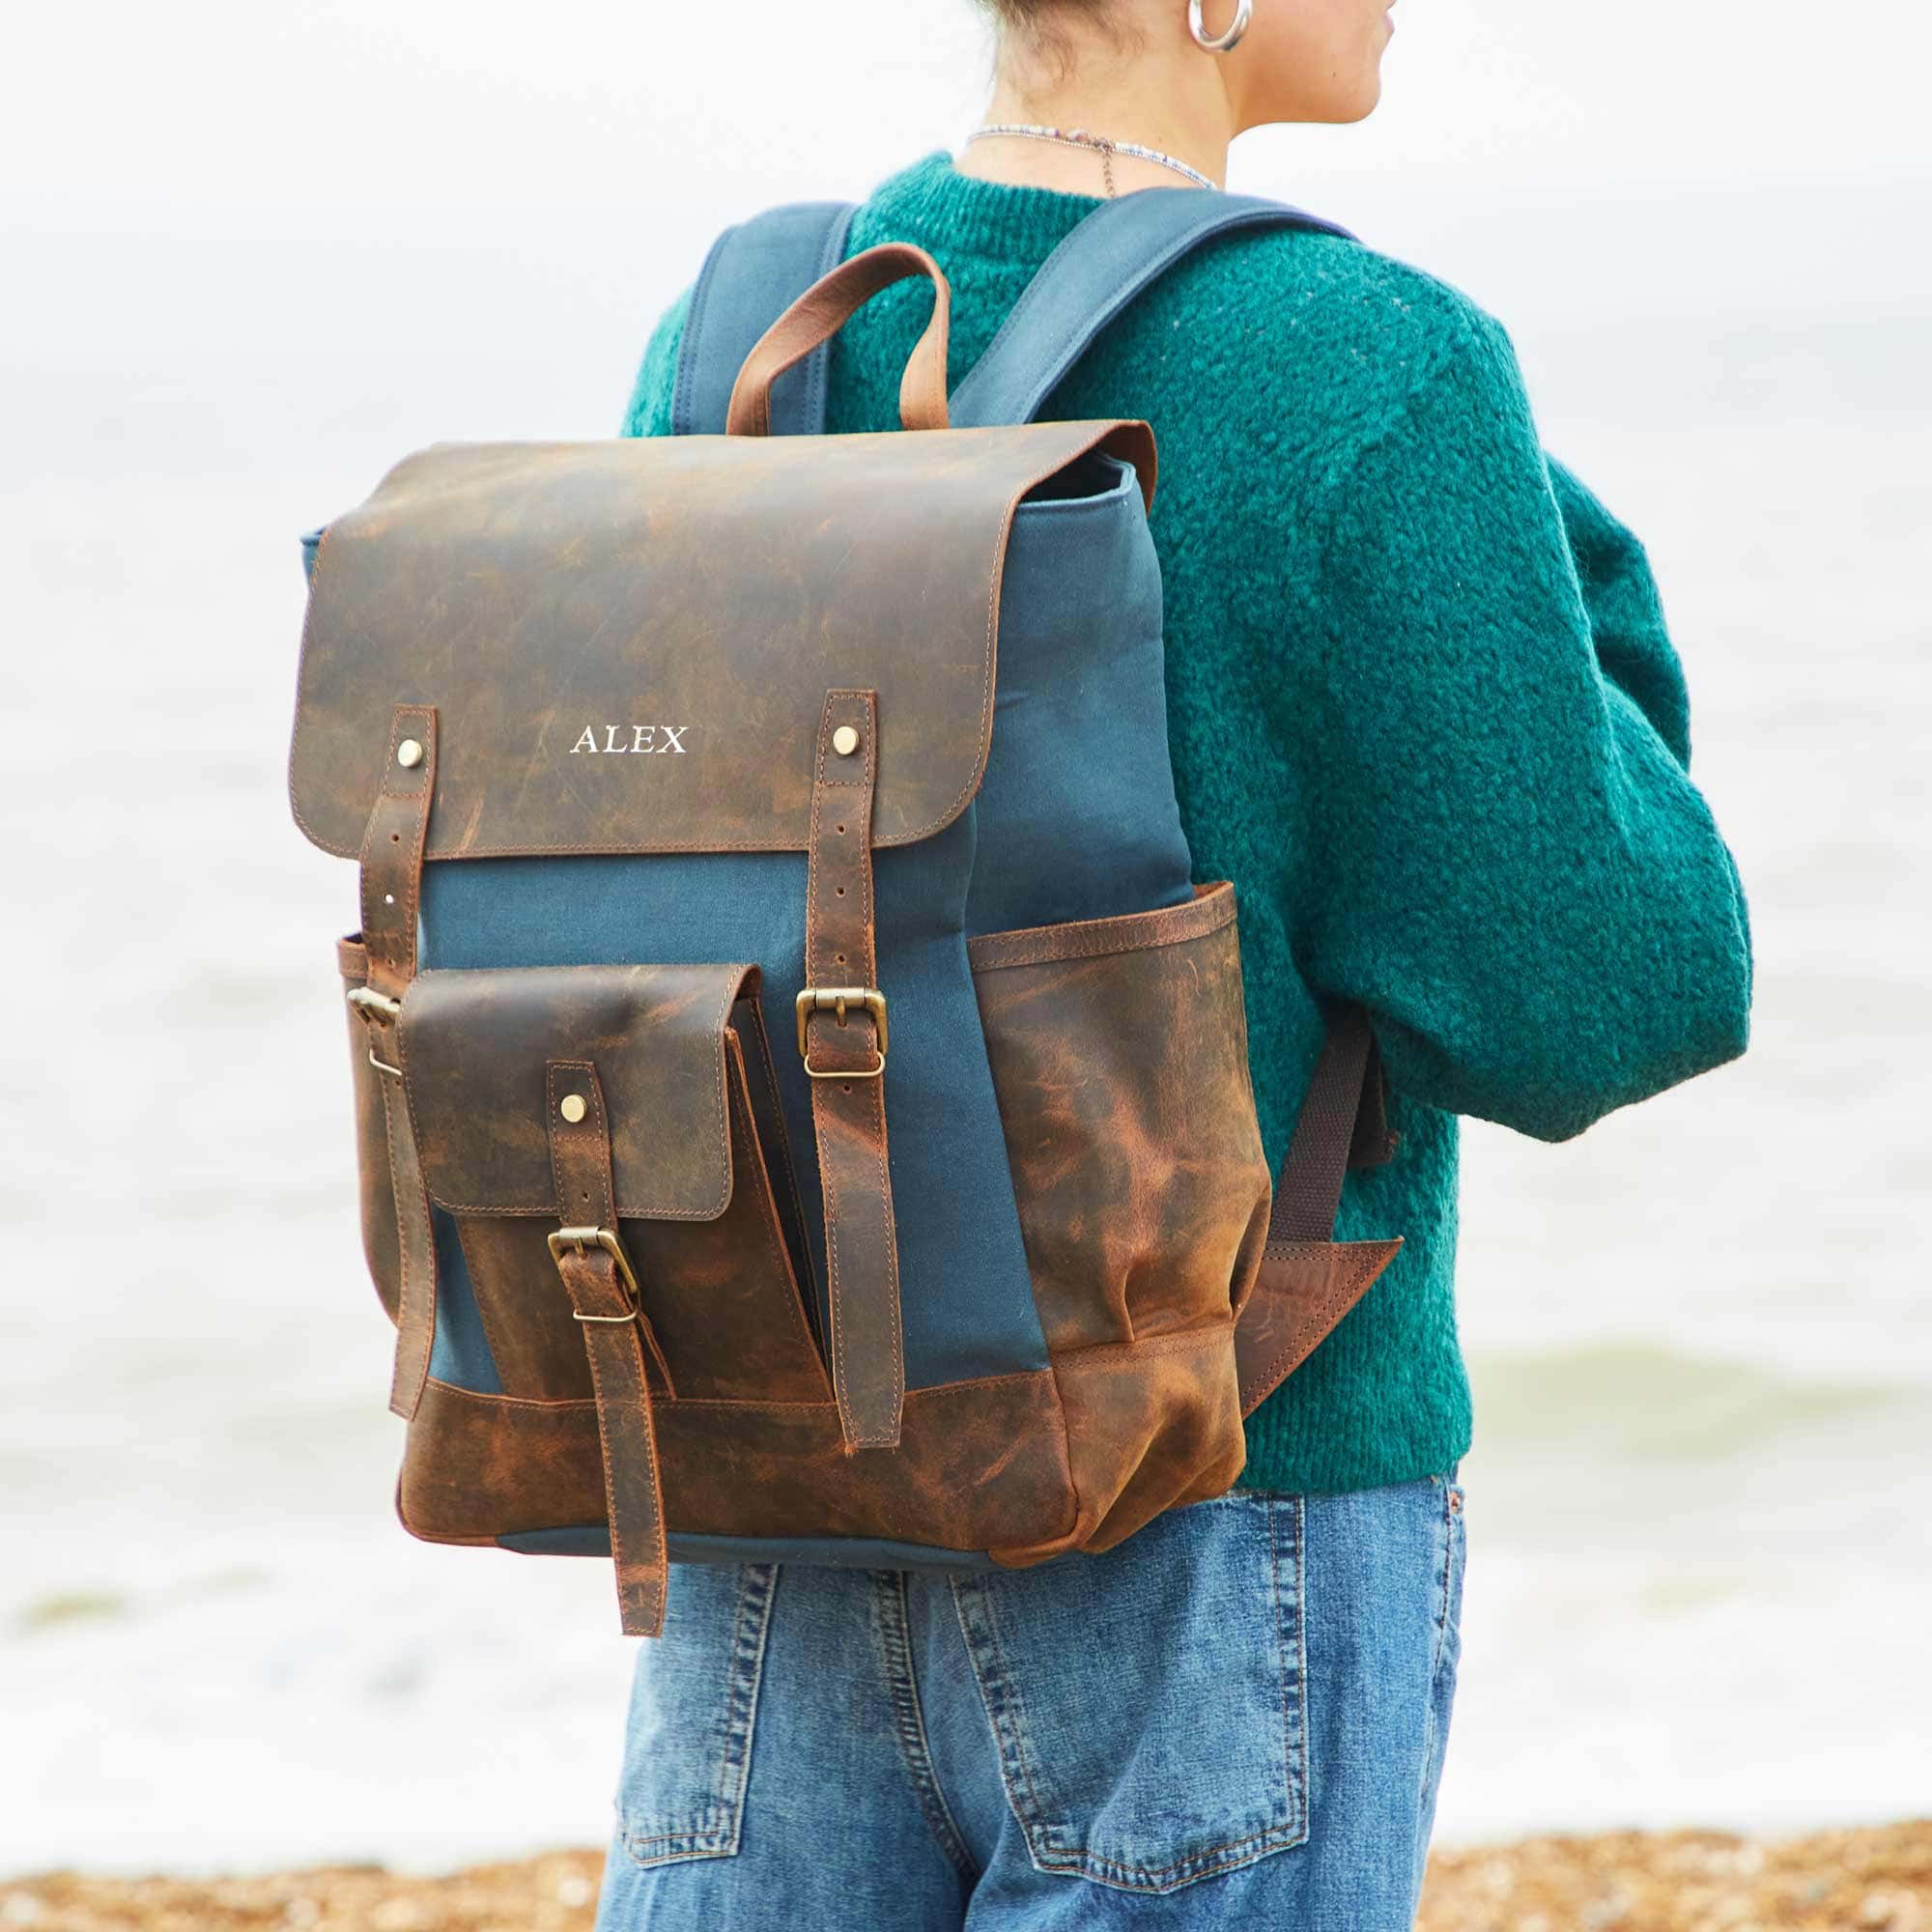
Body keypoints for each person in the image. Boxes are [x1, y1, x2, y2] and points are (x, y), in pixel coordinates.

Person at [598, 2, 1753, 1924]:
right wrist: (1584, 607)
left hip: (770, 1512)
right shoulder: (1366, 365)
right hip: (1220, 1506)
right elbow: (1611, 986)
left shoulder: (747, 332)